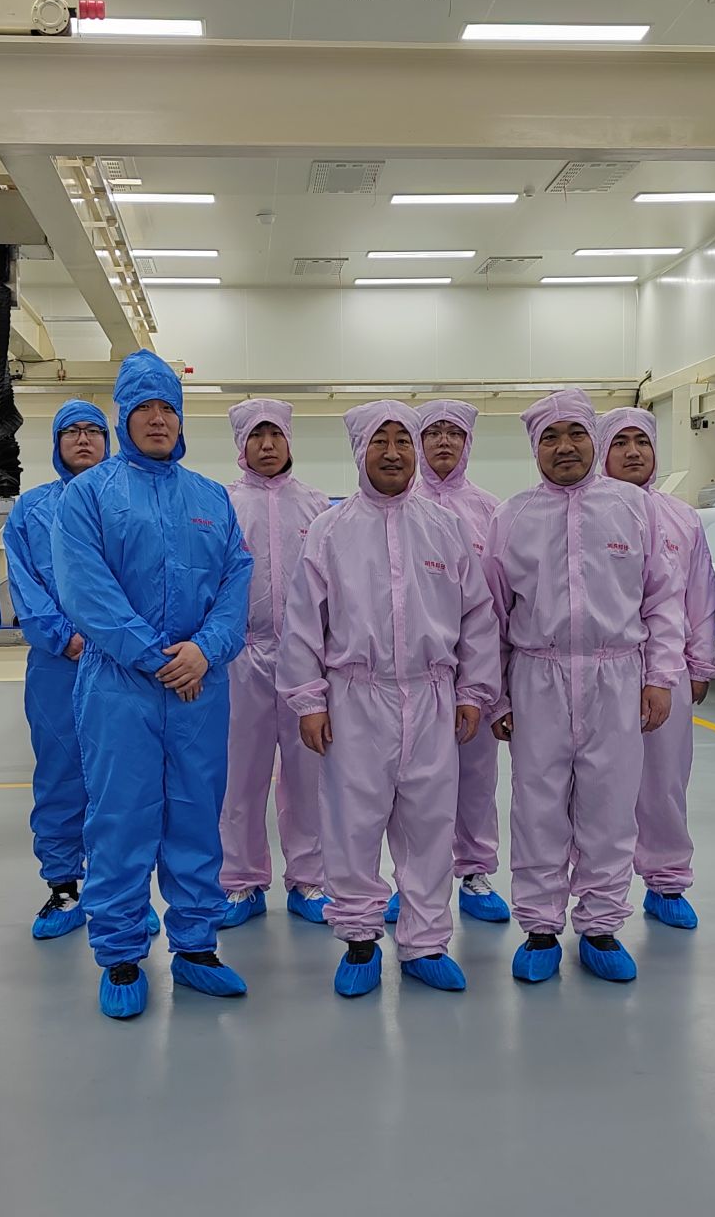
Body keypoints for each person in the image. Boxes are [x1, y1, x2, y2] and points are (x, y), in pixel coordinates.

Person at [54, 350, 255, 1019]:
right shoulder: (88, 496)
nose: (159, 419)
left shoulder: (211, 498)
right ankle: (119, 953)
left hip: (200, 686)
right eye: (144, 408)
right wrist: (157, 659)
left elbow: (236, 580)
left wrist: (205, 650)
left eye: (169, 407)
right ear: (123, 417)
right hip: (121, 688)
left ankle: (196, 947)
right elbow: (86, 589)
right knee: (121, 816)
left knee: (197, 812)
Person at [279, 402, 500, 997]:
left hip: (432, 694)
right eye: (381, 441)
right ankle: (358, 939)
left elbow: (477, 615)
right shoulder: (330, 530)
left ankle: (426, 943)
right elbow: (303, 623)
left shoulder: (444, 527)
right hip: (356, 695)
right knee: (352, 823)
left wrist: (474, 690)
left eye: (404, 440)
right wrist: (309, 700)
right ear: (360, 451)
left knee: (430, 822)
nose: (395, 453)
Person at [485, 388, 685, 985]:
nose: (565, 446)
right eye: (550, 437)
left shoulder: (633, 508)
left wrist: (660, 677)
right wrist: (496, 695)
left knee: (611, 804)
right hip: (537, 677)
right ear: (534, 448)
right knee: (537, 806)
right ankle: (540, 927)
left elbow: (663, 598)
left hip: (617, 675)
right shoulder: (512, 517)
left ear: (593, 440)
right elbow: (491, 615)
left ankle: (600, 926)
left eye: (575, 433)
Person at [596, 407, 715, 930]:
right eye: (619, 442)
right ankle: (596, 891)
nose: (632, 452)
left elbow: (701, 597)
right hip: (600, 673)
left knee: (665, 781)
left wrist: (700, 664)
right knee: (597, 786)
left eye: (642, 442)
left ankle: (667, 881)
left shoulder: (682, 518)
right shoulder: (586, 515)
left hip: (666, 672)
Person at [390, 398, 512, 925]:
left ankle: (476, 870)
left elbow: (501, 601)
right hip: (414, 673)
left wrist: (494, 688)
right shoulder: (397, 504)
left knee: (477, 778)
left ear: (468, 443)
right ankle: (412, 879)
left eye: (454, 433)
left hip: (476, 669)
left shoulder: (492, 511)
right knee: (410, 786)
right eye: (433, 432)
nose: (443, 441)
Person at [218, 398, 332, 928]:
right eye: (256, 436)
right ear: (240, 444)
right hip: (241, 656)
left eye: (275, 435)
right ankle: (241, 880)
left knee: (309, 775)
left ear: (289, 440)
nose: (267, 446)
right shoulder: (223, 505)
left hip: (306, 658)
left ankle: (309, 878)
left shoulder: (318, 507)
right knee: (240, 774)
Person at [1, 398, 106, 939]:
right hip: (56, 667)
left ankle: (121, 891)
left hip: (119, 664)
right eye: (72, 432)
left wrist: (117, 639)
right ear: (56, 444)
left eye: (93, 430)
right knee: (60, 773)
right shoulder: (31, 511)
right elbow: (24, 584)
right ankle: (64, 888)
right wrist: (65, 639)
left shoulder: (127, 501)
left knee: (121, 778)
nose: (83, 440)